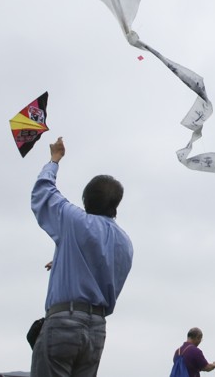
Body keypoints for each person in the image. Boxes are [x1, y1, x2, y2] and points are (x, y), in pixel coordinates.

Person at [30, 137, 133, 377]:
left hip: (64, 321)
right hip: (96, 329)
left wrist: (54, 160)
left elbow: (43, 193)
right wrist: (65, 259)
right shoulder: (125, 242)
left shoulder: (75, 221)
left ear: (86, 201)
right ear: (116, 205)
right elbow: (101, 266)